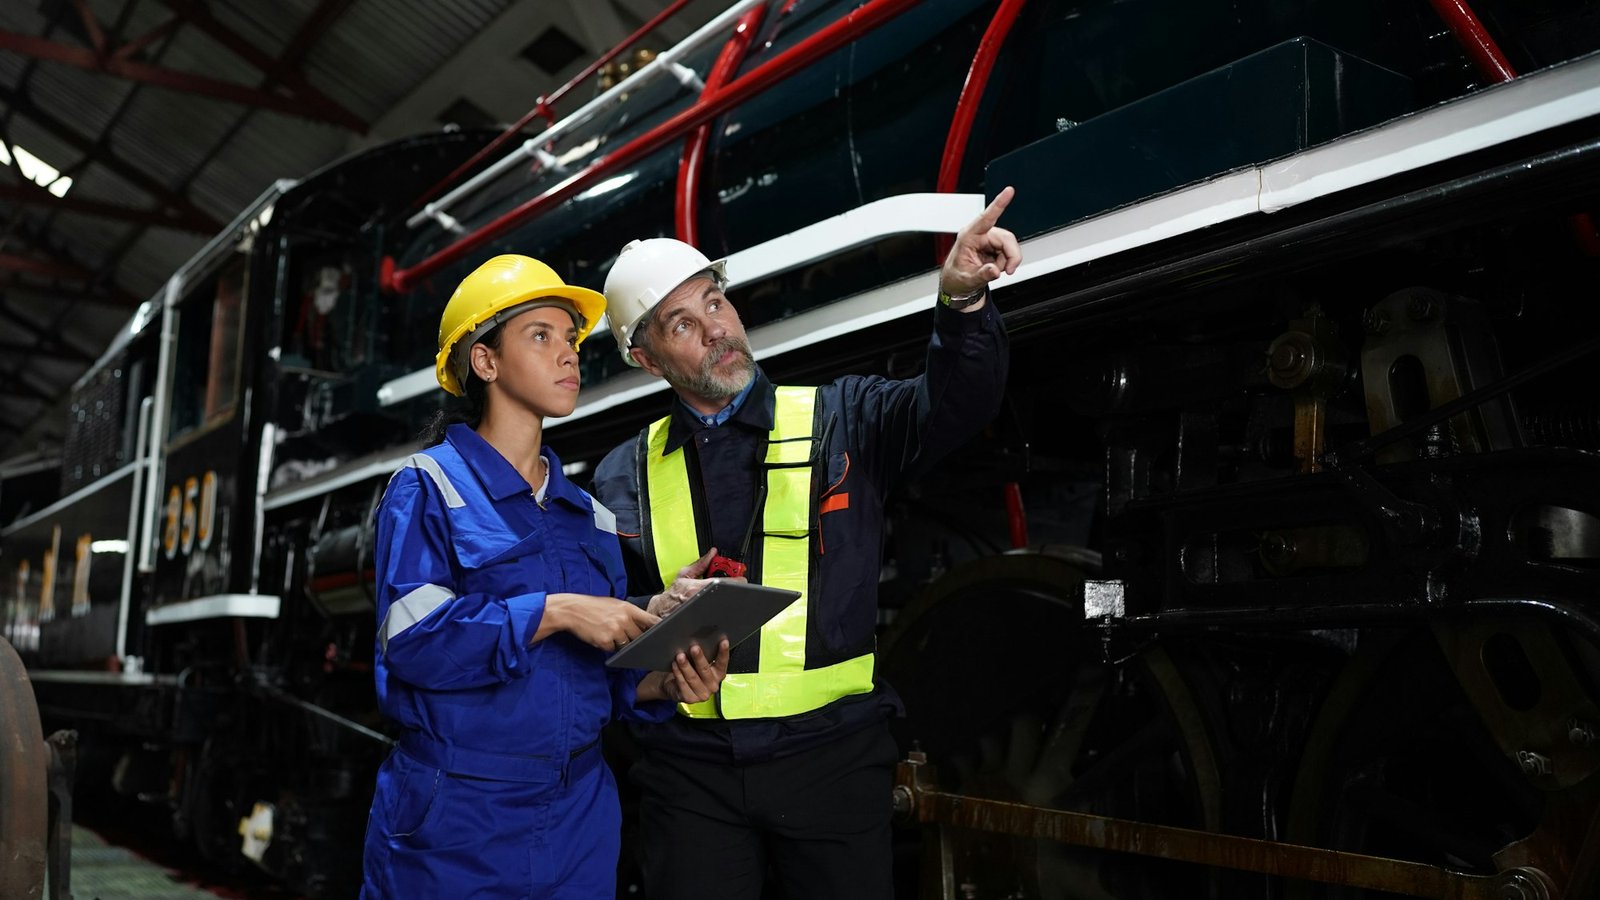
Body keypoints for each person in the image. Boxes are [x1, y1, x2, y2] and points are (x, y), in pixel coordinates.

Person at [592, 188, 1020, 898]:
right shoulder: (620, 476)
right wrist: (653, 615)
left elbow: (956, 404)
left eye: (716, 302)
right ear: (644, 356)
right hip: (688, 772)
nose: (716, 329)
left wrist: (962, 305)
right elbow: (604, 620)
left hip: (833, 761)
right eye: (682, 323)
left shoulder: (844, 418)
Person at [360, 254, 729, 899]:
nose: (568, 355)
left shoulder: (588, 515)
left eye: (571, 339)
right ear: (485, 361)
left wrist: (661, 676)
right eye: (541, 336)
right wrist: (555, 610)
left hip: (580, 815)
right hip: (459, 817)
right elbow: (413, 644)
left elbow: (598, 682)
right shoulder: (427, 488)